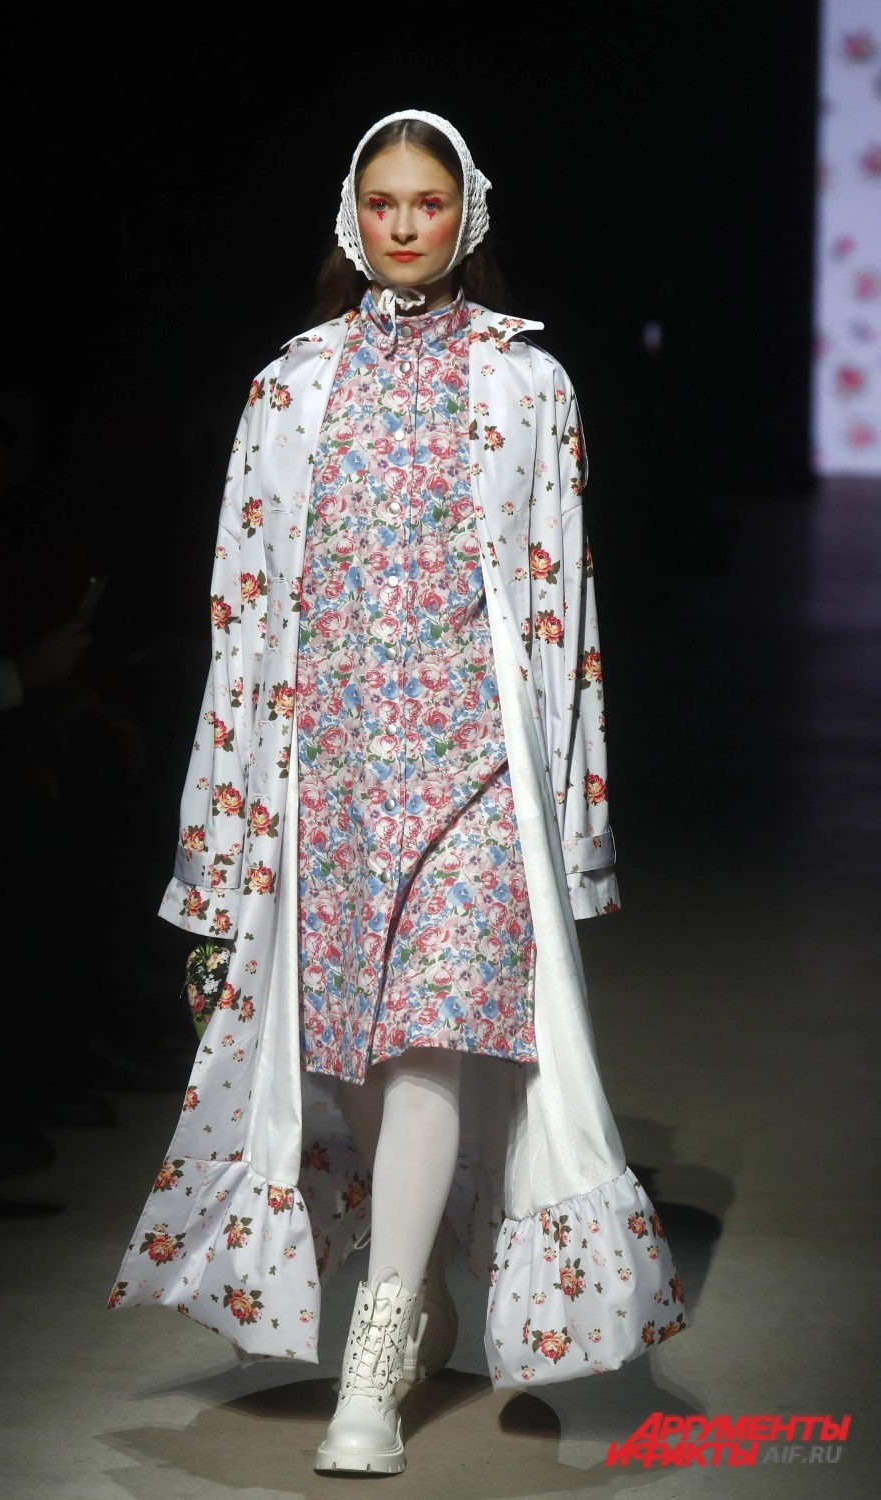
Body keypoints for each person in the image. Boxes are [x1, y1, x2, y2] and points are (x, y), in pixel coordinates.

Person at [110, 110, 688, 1477]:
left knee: (432, 1028)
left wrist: (573, 812)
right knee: (357, 1049)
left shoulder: (526, 385)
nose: (408, 224)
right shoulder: (290, 387)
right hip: (334, 767)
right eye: (386, 202)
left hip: (476, 762)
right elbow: (244, 609)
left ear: (466, 215)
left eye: (430, 202)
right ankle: (413, 1277)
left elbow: (562, 602)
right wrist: (228, 814)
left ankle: (372, 1358)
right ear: (353, 217)